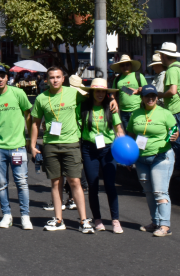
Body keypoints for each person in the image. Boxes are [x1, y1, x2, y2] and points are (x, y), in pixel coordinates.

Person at [30, 66, 94, 233]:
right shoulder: (42, 98)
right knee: (56, 182)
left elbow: (96, 97)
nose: (55, 80)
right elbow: (35, 123)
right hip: (50, 144)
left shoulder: (73, 93)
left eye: (58, 77)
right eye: (51, 77)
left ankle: (83, 220)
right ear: (46, 80)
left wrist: (112, 99)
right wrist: (32, 144)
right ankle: (58, 219)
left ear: (63, 78)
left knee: (75, 181)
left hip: (71, 143)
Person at [0, 65, 33, 230]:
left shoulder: (18, 93)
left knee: (22, 182)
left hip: (18, 146)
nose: (0, 79)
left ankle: (25, 216)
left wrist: (30, 139)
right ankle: (6, 214)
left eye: (3, 76)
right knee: (2, 183)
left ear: (7, 77)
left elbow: (28, 114)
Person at [127, 85, 178, 237]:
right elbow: (130, 135)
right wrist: (129, 157)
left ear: (157, 98)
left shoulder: (165, 113)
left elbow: (174, 130)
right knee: (148, 192)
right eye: (147, 96)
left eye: (153, 96)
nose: (150, 99)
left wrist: (175, 135)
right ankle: (155, 221)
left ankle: (165, 225)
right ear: (141, 98)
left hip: (161, 156)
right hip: (141, 158)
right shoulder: (135, 114)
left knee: (159, 191)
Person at [79, 78, 124, 233]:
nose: (100, 94)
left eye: (103, 91)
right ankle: (97, 219)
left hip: (108, 149)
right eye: (97, 91)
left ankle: (115, 220)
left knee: (110, 185)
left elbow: (119, 129)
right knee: (93, 185)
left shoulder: (111, 108)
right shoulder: (83, 107)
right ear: (92, 92)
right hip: (89, 149)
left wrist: (123, 148)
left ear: (106, 93)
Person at [111, 54, 146, 130]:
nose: (125, 67)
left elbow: (147, 90)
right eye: (122, 65)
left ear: (131, 65)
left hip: (137, 109)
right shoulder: (117, 79)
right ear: (120, 67)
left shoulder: (138, 76)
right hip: (123, 112)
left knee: (139, 132)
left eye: (127, 64)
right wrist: (113, 100)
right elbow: (113, 94)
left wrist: (140, 90)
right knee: (128, 133)